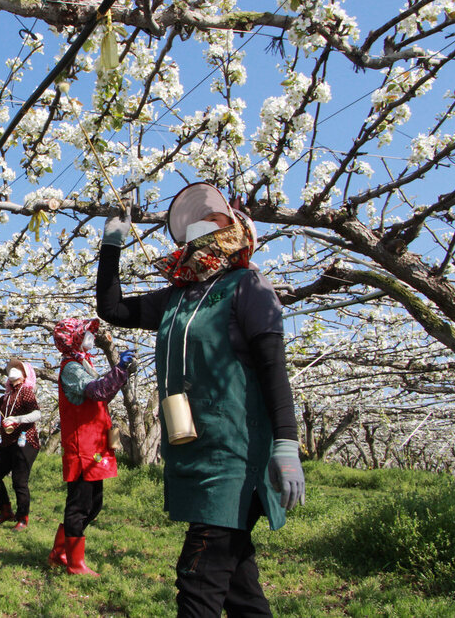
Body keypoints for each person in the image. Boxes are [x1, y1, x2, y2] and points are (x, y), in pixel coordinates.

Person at [95, 182, 306, 616]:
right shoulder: (177, 298)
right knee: (239, 587)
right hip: (194, 452)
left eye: (215, 217)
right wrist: (111, 246)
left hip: (234, 457)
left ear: (237, 231)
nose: (202, 226)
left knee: (200, 579)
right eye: (197, 221)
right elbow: (112, 309)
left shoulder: (250, 287)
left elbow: (272, 369)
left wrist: (286, 443)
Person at [47, 318, 135, 575]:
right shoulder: (72, 368)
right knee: (80, 504)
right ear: (73, 338)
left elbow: (103, 389)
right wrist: (118, 370)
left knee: (94, 503)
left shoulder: (84, 362)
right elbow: (97, 392)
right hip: (82, 445)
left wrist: (123, 372)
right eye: (85, 334)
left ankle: (59, 552)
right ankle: (74, 563)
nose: (91, 337)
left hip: (94, 443)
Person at [0, 358, 41, 530]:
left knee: (19, 480)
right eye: (11, 368)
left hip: (25, 442)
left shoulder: (26, 392)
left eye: (18, 368)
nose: (13, 370)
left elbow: (37, 414)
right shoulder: (8, 394)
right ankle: (5, 510)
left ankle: (23, 517)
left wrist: (17, 419)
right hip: (8, 443)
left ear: (25, 375)